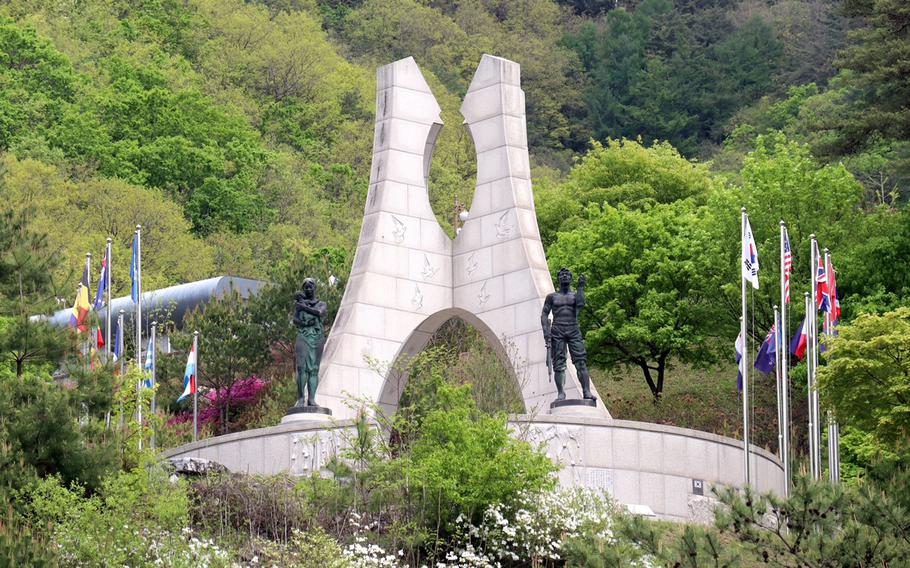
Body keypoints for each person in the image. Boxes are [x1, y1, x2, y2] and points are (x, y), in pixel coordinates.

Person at [541, 267, 594, 401]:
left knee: (581, 362)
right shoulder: (552, 297)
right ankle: (561, 393)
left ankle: (586, 391)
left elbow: (581, 304)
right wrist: (546, 332)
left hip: (573, 328)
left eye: (567, 275)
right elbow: (544, 313)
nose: (564, 276)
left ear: (570, 278)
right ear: (558, 279)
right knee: (559, 364)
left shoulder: (575, 296)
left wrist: (581, 287)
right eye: (562, 275)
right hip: (557, 329)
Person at [293, 278, 327, 407]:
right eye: (305, 287)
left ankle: (311, 399)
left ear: (314, 288)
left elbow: (320, 313)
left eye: (310, 287)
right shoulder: (300, 305)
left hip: (317, 336)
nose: (308, 289)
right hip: (304, 335)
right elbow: (295, 320)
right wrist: (304, 322)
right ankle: (301, 398)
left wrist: (303, 307)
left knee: (314, 369)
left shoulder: (321, 303)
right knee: (302, 368)